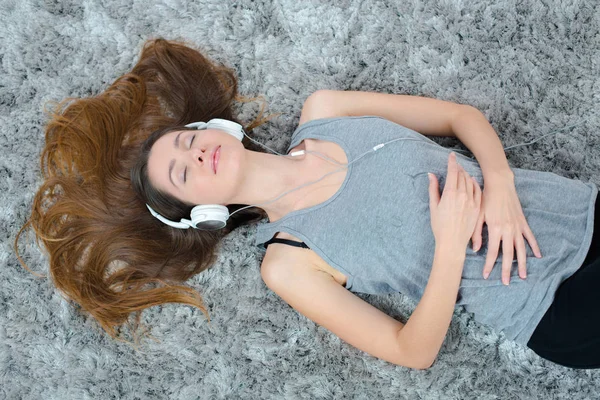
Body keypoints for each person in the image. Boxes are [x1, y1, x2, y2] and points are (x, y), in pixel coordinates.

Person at [17, 38, 600, 370]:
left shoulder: (326, 111)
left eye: (190, 141)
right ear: (200, 216)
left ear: (215, 126)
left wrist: (497, 186)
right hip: (547, 305)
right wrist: (450, 247)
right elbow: (411, 350)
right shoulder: (289, 263)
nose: (198, 155)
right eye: (183, 173)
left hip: (579, 210)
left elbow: (458, 118)